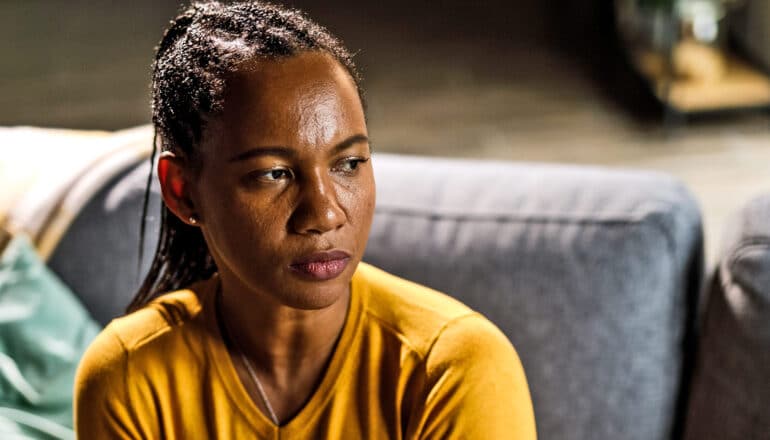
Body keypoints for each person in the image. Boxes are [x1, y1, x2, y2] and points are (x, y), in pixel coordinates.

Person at [73, 1, 536, 438]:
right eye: (273, 174)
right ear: (182, 190)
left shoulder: (451, 368)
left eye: (349, 163)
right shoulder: (131, 377)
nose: (326, 213)